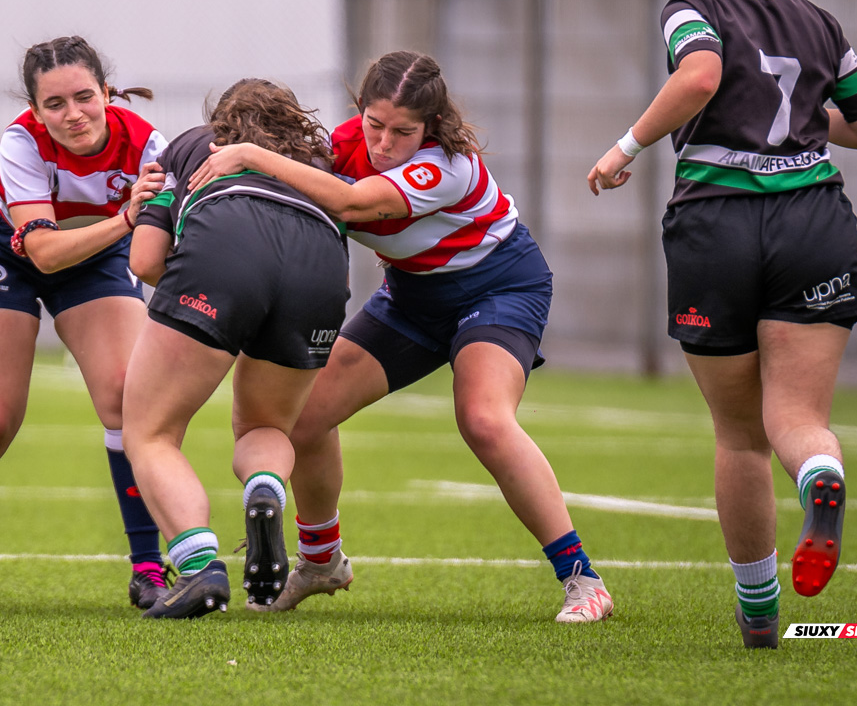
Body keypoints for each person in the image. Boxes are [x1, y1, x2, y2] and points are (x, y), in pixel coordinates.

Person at [587, 0, 857, 649]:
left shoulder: (695, 7)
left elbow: (700, 76)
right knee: (796, 419)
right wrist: (802, 123)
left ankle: (760, 611)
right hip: (813, 222)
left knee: (738, 435)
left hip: (718, 225)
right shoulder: (821, 23)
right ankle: (821, 478)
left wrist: (624, 147)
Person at [193, 52, 615, 624]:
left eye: (402, 132)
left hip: (497, 289)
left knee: (484, 419)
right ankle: (320, 562)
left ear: (431, 126)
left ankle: (581, 578)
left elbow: (348, 202)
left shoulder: (448, 166)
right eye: (374, 124)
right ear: (360, 110)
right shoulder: (346, 142)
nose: (384, 143)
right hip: (414, 300)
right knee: (302, 418)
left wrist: (251, 155)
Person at [0, 37, 170, 608]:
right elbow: (43, 251)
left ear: (106, 92)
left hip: (96, 256)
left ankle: (149, 568)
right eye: (54, 104)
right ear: (35, 109)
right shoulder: (22, 140)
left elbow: (163, 239)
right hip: (4, 249)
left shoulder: (148, 145)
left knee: (127, 397)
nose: (73, 115)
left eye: (84, 97)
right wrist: (125, 219)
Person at [122, 79, 351, 618]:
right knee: (264, 427)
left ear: (221, 120)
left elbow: (145, 261)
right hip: (319, 273)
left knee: (149, 430)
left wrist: (212, 299)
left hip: (225, 248)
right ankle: (266, 486)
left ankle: (200, 566)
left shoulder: (191, 144)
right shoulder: (317, 162)